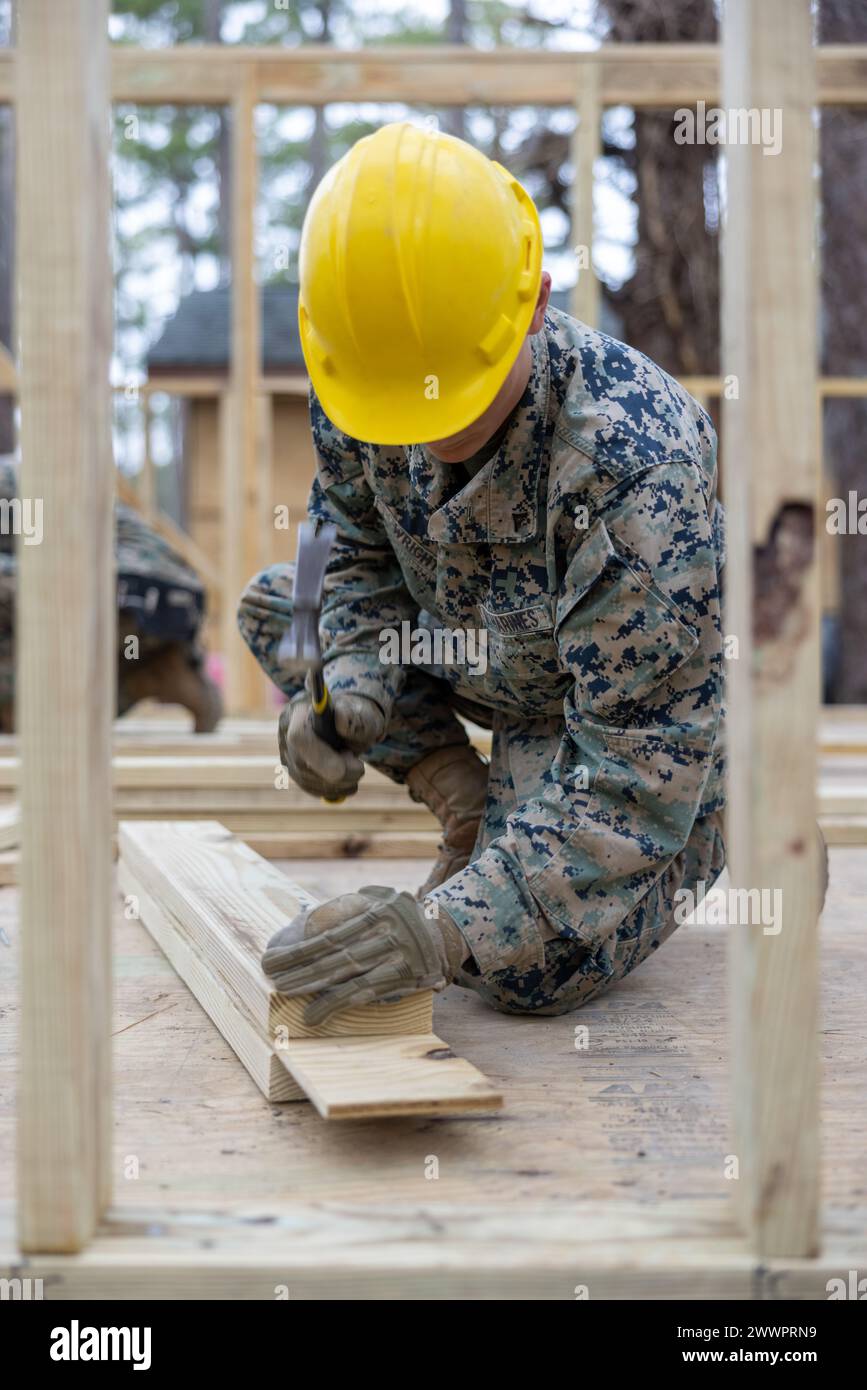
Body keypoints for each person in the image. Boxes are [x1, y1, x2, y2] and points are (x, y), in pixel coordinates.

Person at [238, 121, 726, 1024]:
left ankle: (727, 821)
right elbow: (330, 539)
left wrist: (446, 932)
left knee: (522, 975)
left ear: (533, 306)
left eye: (448, 399)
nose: (418, 434)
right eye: (391, 403)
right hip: (467, 649)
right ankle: (470, 807)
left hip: (604, 716)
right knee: (277, 608)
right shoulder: (363, 360)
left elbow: (631, 763)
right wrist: (339, 688)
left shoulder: (630, 463)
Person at [0, 461, 221, 732]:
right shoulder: (28, 473)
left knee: (23, 710)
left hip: (117, 588)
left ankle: (22, 708)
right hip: (172, 596)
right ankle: (157, 673)